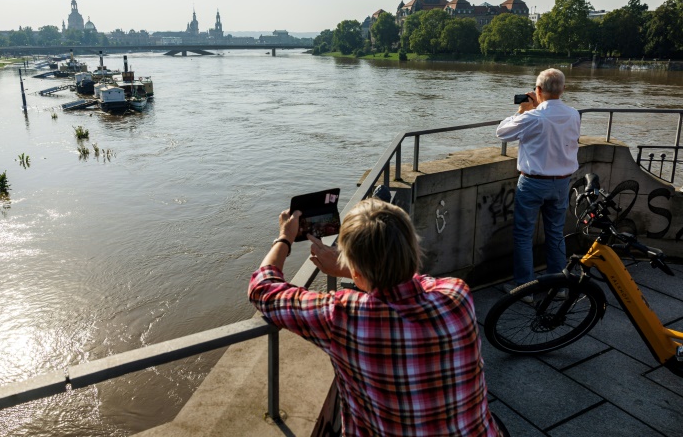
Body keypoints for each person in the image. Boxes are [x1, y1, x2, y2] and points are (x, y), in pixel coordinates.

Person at [248, 198, 501, 436]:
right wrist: (353, 270)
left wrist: (284, 238)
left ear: (355, 272)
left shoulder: (343, 316)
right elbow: (417, 280)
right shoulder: (457, 294)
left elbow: (263, 288)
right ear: (413, 247)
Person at [496, 68, 581, 287]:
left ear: (538, 90)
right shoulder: (574, 114)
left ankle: (525, 287)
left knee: (524, 235)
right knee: (555, 233)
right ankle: (558, 285)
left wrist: (522, 110)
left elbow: (502, 132)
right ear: (563, 89)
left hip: (533, 182)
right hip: (562, 182)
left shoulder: (535, 116)